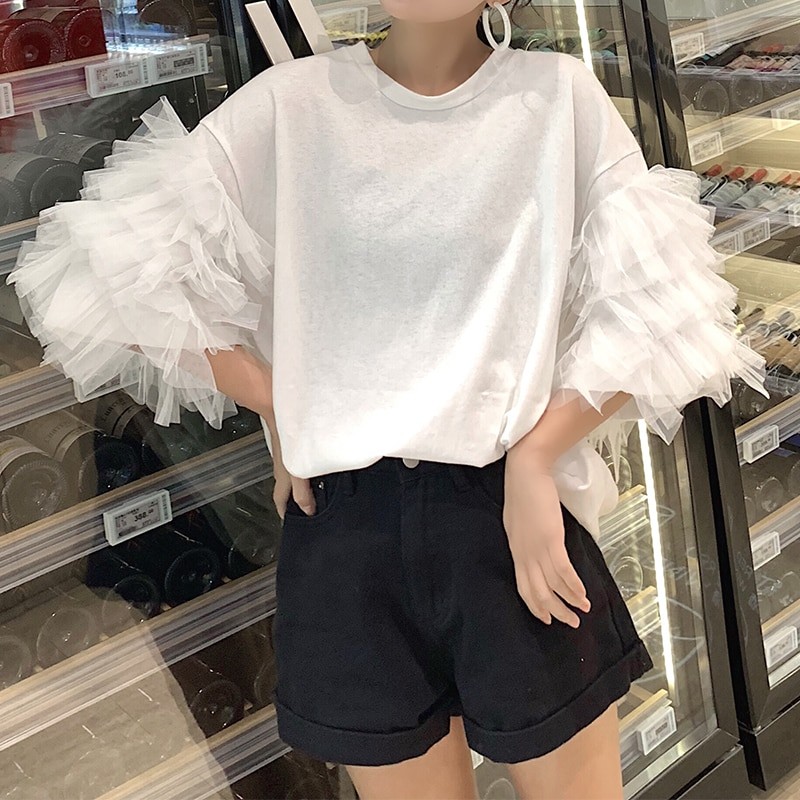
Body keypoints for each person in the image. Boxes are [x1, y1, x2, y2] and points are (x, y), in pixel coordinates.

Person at [7, 1, 766, 798]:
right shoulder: (291, 104)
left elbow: (664, 306)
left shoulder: (556, 97)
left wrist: (537, 456)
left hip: (508, 521)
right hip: (347, 534)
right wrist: (284, 400)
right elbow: (104, 277)